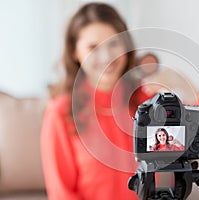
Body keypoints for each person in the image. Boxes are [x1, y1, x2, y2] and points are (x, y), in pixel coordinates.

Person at [40, 3, 150, 200]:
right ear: (75, 52)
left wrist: (187, 90)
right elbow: (61, 193)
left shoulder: (147, 101)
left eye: (114, 43)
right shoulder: (61, 111)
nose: (107, 56)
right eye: (93, 47)